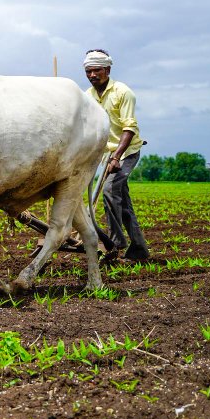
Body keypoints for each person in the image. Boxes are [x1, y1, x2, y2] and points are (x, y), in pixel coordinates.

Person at [84, 49, 149, 262]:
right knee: (123, 203)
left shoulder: (123, 92)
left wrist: (116, 158)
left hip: (127, 151)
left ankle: (115, 242)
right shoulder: (87, 96)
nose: (93, 75)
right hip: (106, 153)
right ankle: (139, 250)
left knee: (110, 190)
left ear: (108, 70)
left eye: (97, 70)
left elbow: (129, 128)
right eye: (88, 71)